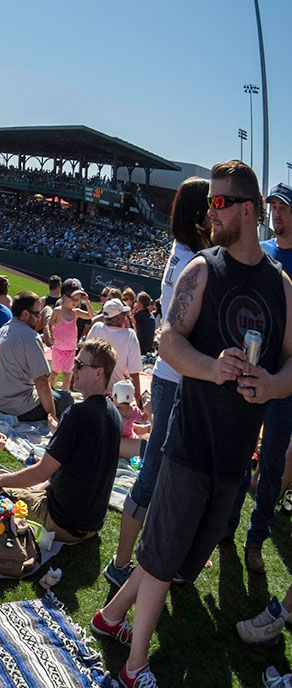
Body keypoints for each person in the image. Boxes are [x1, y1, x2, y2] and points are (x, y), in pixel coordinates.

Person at [93, 161, 290, 688]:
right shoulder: (201, 270)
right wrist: (210, 367)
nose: (210, 213)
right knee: (160, 560)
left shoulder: (283, 287)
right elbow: (167, 340)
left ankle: (109, 618)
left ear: (248, 212)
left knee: (177, 560)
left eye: (220, 204)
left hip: (234, 455)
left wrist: (274, 382)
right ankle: (135, 667)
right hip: (190, 443)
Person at [107, 177, 213, 587]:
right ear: (196, 212)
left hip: (175, 375)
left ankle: (160, 553)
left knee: (168, 470)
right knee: (154, 471)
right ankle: (119, 564)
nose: (214, 213)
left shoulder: (184, 251)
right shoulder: (191, 257)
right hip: (175, 377)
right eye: (210, 205)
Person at [0, 338, 121, 543]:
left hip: (63, 522)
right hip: (91, 523)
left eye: (79, 365)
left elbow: (41, 472)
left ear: (99, 372)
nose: (73, 368)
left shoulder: (77, 414)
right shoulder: (113, 413)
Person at [236, 181, 292, 574]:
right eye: (273, 206)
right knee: (239, 448)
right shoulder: (263, 253)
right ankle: (224, 523)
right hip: (252, 365)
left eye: (284, 207)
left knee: (271, 460)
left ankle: (256, 537)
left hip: (285, 378)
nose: (277, 214)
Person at [0, 292, 70, 425]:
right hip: (13, 406)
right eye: (37, 314)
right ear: (26, 314)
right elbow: (42, 381)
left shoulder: (2, 329)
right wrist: (52, 416)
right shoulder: (29, 336)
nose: (39, 318)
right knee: (66, 399)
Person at [86, 299, 143, 403]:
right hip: (118, 396)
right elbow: (134, 372)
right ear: (118, 318)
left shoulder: (96, 328)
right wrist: (138, 400)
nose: (125, 317)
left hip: (92, 391)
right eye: (123, 314)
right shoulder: (129, 335)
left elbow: (84, 356)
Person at [45, 283, 89, 390]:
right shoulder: (58, 311)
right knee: (55, 373)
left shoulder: (76, 312)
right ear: (64, 297)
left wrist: (87, 302)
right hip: (59, 348)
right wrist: (50, 335)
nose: (75, 302)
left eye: (78, 299)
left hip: (70, 350)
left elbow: (90, 315)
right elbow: (49, 324)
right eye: (73, 299)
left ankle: (64, 394)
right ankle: (50, 391)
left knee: (67, 375)